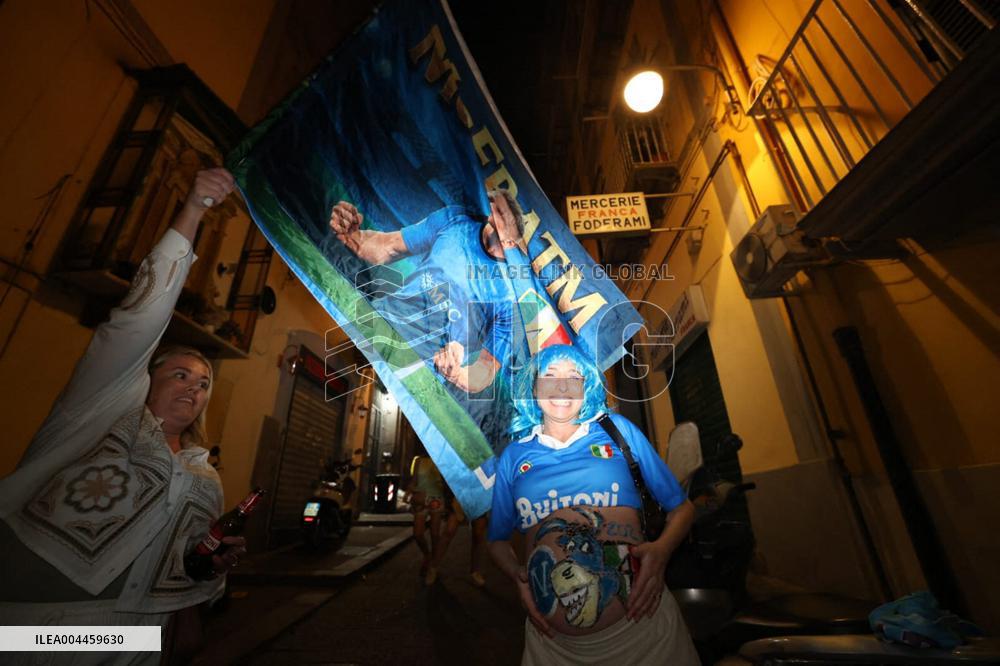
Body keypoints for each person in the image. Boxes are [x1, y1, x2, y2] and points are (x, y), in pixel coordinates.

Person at [0, 168, 243, 664]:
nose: (194, 387)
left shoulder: (205, 474)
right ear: (145, 376)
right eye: (179, 374)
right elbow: (137, 321)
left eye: (203, 385)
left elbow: (189, 567)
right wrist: (194, 210)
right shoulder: (97, 414)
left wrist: (210, 569)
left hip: (136, 641)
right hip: (37, 630)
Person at [487, 344, 699, 665]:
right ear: (532, 386)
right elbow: (497, 540)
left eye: (575, 376)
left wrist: (662, 550)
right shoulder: (514, 457)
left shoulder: (617, 432)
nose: (562, 386)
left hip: (648, 636)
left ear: (588, 387)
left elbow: (683, 509)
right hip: (555, 651)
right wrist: (518, 574)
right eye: (549, 376)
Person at [405, 449, 448, 585]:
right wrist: (409, 491)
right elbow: (414, 480)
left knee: (435, 534)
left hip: (436, 498)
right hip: (420, 498)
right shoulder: (418, 460)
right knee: (417, 533)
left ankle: (433, 565)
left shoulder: (442, 459)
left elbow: (447, 481)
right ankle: (427, 555)